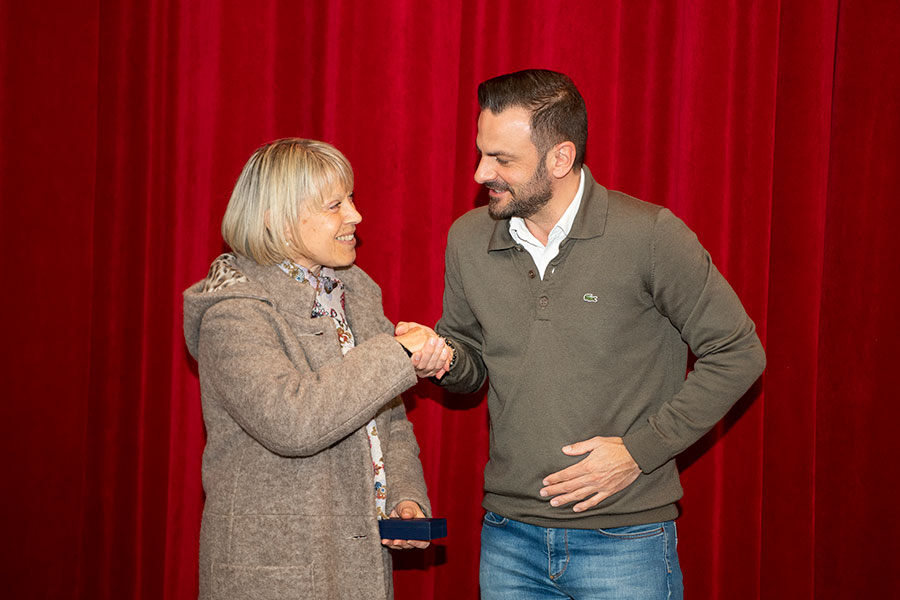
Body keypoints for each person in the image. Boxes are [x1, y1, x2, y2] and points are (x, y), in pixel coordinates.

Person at [399, 70, 766, 599]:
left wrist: (640, 451)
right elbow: (471, 363)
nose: (481, 172)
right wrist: (444, 358)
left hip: (627, 539)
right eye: (482, 153)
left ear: (560, 159)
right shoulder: (467, 237)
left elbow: (737, 351)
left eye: (502, 160)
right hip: (508, 538)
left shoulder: (650, 234)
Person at [183, 138, 434, 600]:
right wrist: (396, 354)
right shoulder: (232, 312)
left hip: (354, 563)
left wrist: (405, 496)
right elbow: (292, 421)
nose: (356, 216)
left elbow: (388, 417)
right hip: (273, 575)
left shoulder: (354, 292)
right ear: (274, 219)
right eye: (334, 204)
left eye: (352, 199)